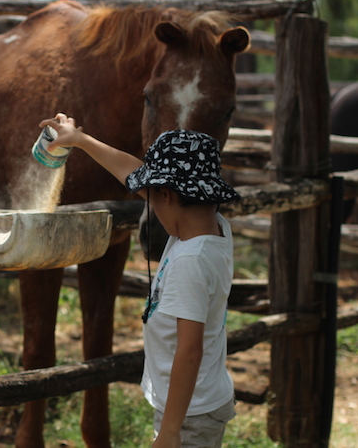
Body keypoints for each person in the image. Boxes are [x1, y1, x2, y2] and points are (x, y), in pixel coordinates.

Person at [40, 113, 239, 448]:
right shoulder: (210, 224)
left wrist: (171, 431)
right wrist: (80, 140)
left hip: (189, 417)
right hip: (195, 403)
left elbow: (189, 351)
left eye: (152, 193)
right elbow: (131, 171)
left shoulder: (191, 262)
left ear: (165, 194)